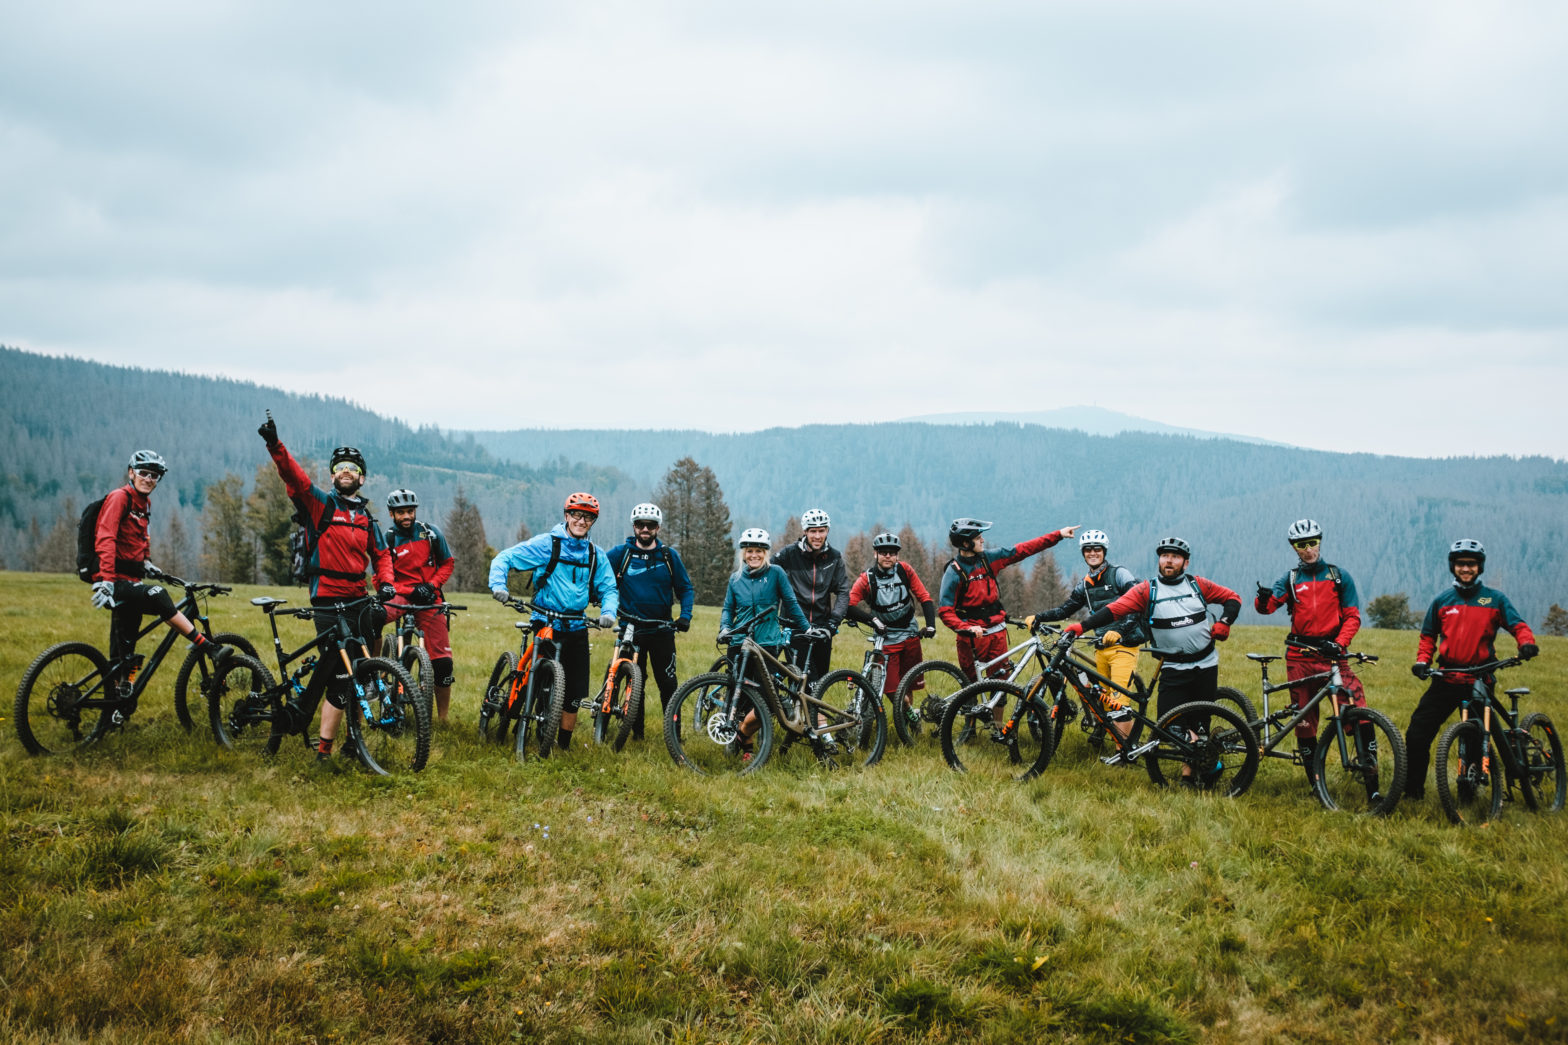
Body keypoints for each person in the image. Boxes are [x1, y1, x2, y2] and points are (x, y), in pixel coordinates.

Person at [259, 413, 394, 764]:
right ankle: (323, 751)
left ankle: (353, 737)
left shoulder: (366, 517)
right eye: (340, 467)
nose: (346, 472)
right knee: (337, 673)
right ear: (333, 475)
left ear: (361, 477)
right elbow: (295, 478)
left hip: (357, 596)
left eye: (353, 467)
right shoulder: (321, 504)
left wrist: (388, 584)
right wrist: (276, 446)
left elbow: (380, 556)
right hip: (326, 597)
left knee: (359, 663)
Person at [90, 450, 230, 710]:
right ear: (131, 472)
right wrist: (106, 581)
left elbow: (138, 539)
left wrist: (146, 562)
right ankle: (207, 646)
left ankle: (116, 706)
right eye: (143, 473)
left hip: (131, 579)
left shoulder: (144, 505)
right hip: (116, 581)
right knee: (157, 595)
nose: (149, 479)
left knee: (125, 650)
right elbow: (106, 538)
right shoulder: (119, 498)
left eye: (154, 476)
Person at [1403, 539, 1539, 802]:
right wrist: (1423, 661)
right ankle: (1413, 793)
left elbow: (1518, 625)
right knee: (1417, 734)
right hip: (1446, 678)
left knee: (1477, 738)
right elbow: (1428, 636)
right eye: (1461, 564)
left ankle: (1469, 792)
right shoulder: (1442, 601)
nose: (1466, 569)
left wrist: (1527, 643)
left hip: (1480, 678)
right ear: (1453, 566)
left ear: (1480, 567)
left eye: (1471, 564)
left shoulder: (1495, 599)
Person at [487, 492, 619, 751]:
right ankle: (519, 719)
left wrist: (608, 611)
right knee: (534, 681)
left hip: (576, 624)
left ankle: (564, 745)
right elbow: (504, 558)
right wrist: (498, 585)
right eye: (577, 515)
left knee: (574, 692)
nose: (581, 521)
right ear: (567, 516)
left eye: (588, 517)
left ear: (593, 521)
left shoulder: (595, 554)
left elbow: (609, 588)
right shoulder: (548, 544)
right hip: (545, 620)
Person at [1063, 537, 1240, 721]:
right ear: (1159, 560)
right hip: (1173, 667)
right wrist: (1082, 627)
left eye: (1175, 556)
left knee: (1201, 724)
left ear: (1186, 563)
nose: (1169, 560)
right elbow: (1114, 610)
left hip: (1206, 665)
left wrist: (1225, 622)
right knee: (1168, 727)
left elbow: (1232, 598)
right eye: (1164, 556)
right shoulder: (1148, 590)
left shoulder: (1198, 585)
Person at [1254, 519, 1367, 787]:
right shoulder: (1291, 579)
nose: (1308, 549)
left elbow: (1353, 617)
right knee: (1304, 721)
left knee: (1358, 711)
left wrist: (1339, 643)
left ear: (1320, 541)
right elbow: (1268, 608)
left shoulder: (1339, 576)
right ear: (1294, 547)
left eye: (1312, 542)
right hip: (1299, 658)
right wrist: (1262, 598)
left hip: (1333, 656)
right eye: (1301, 545)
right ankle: (1315, 782)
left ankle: (1370, 778)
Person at [1028, 528, 1145, 740]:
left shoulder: (1119, 574)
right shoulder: (1086, 583)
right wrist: (1038, 617)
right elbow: (1065, 609)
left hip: (1124, 646)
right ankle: (1105, 731)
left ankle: (1124, 753)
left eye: (1097, 549)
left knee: (1118, 702)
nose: (1093, 553)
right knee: (1103, 697)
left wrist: (1119, 632)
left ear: (1104, 551)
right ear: (1083, 553)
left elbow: (1137, 605)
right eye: (1088, 550)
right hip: (1101, 646)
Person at [938, 518, 1079, 684]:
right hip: (972, 638)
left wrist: (1058, 535)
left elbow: (1022, 550)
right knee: (971, 688)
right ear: (965, 543)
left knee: (1001, 687)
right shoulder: (954, 572)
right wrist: (966, 627)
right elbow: (945, 611)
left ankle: (996, 709)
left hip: (997, 634)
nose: (983, 540)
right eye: (978, 538)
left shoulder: (988, 559)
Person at [719, 527, 815, 758]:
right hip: (739, 643)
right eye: (750, 551)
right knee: (738, 697)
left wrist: (807, 628)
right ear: (743, 553)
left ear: (766, 553)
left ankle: (741, 733)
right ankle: (748, 749)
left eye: (759, 551)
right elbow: (728, 609)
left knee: (766, 698)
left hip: (767, 644)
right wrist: (725, 628)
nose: (754, 555)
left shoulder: (776, 573)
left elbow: (791, 603)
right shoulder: (736, 579)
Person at [606, 502, 696, 740]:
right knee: (635, 684)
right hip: (630, 629)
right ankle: (637, 734)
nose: (645, 529)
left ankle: (674, 734)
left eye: (651, 525)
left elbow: (685, 588)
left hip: (662, 629)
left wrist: (685, 616)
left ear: (658, 527)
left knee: (668, 684)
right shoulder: (620, 554)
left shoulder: (668, 556)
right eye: (640, 524)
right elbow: (600, 578)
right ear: (634, 526)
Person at [844, 532, 937, 731]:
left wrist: (930, 625)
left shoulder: (905, 571)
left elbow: (924, 597)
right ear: (875, 554)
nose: (888, 556)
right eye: (883, 552)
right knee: (892, 688)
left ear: (897, 555)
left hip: (910, 634)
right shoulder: (867, 579)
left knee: (909, 683)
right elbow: (848, 605)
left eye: (892, 553)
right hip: (886, 640)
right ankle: (910, 714)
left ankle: (906, 724)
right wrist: (872, 620)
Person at [382, 488, 457, 723]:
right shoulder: (389, 539)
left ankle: (442, 719)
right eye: (401, 512)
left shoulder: (431, 533)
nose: (407, 516)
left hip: (428, 597)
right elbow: (382, 577)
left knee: (443, 663)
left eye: (410, 511)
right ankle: (374, 672)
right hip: (401, 596)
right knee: (373, 618)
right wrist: (408, 590)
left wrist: (433, 586)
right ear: (392, 514)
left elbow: (447, 563)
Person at [771, 508, 850, 689]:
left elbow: (843, 592)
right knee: (808, 685)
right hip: (796, 627)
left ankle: (802, 715)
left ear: (827, 531)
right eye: (812, 531)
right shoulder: (789, 554)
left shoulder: (834, 557)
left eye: (821, 530)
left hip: (823, 629)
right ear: (805, 532)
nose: (817, 535)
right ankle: (814, 717)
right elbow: (767, 573)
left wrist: (833, 622)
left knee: (820, 684)